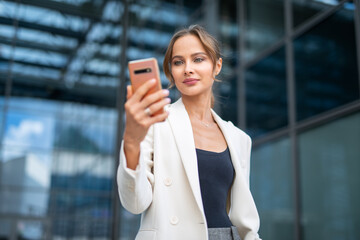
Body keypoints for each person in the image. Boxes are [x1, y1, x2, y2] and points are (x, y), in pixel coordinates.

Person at [117, 25, 261, 240]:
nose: (187, 69)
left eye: (198, 59)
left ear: (217, 66)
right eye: (178, 62)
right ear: (171, 73)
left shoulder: (239, 139)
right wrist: (131, 141)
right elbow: (135, 204)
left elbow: (244, 217)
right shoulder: (155, 123)